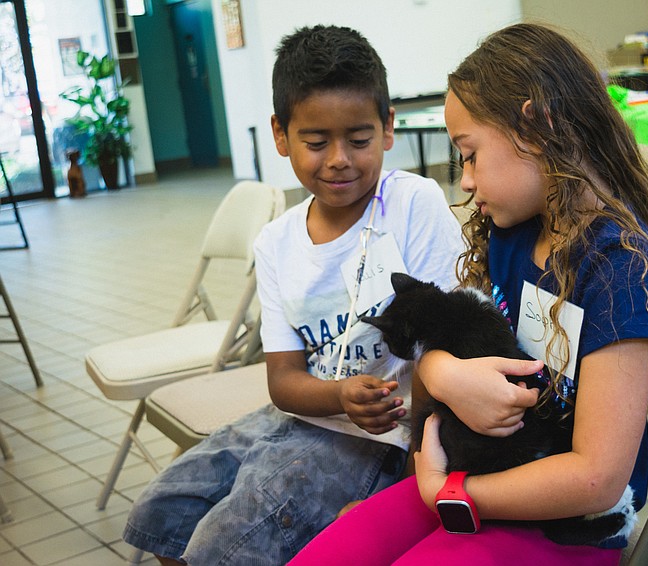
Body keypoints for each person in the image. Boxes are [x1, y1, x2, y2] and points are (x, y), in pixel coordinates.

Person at [291, 22, 648, 565]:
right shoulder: (513, 234)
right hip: (478, 476)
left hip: (561, 520)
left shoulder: (619, 269)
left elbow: (596, 479)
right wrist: (440, 372)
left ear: (536, 129)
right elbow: (451, 341)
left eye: (469, 155)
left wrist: (450, 495)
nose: (464, 180)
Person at [122, 24, 463, 565]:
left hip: (384, 440)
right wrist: (338, 397)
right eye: (315, 142)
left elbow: (444, 345)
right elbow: (283, 381)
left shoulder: (412, 205)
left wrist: (416, 460)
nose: (339, 160)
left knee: (223, 542)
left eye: (358, 139)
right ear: (281, 135)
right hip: (303, 416)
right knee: (163, 508)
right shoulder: (277, 242)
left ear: (388, 128)